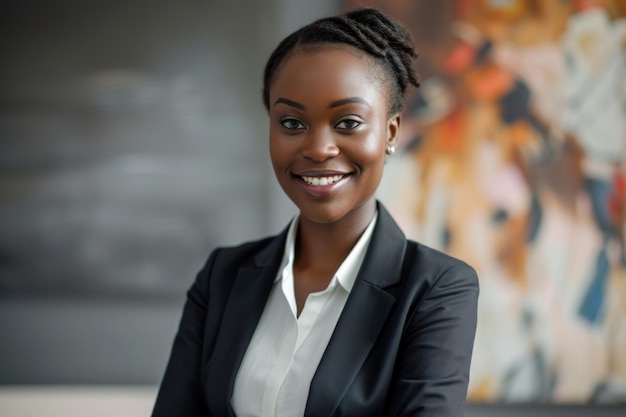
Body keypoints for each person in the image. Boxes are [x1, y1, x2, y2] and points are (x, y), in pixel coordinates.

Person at [152, 7, 479, 417]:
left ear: (390, 132)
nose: (319, 148)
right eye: (291, 123)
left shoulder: (435, 288)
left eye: (347, 122)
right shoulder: (223, 276)